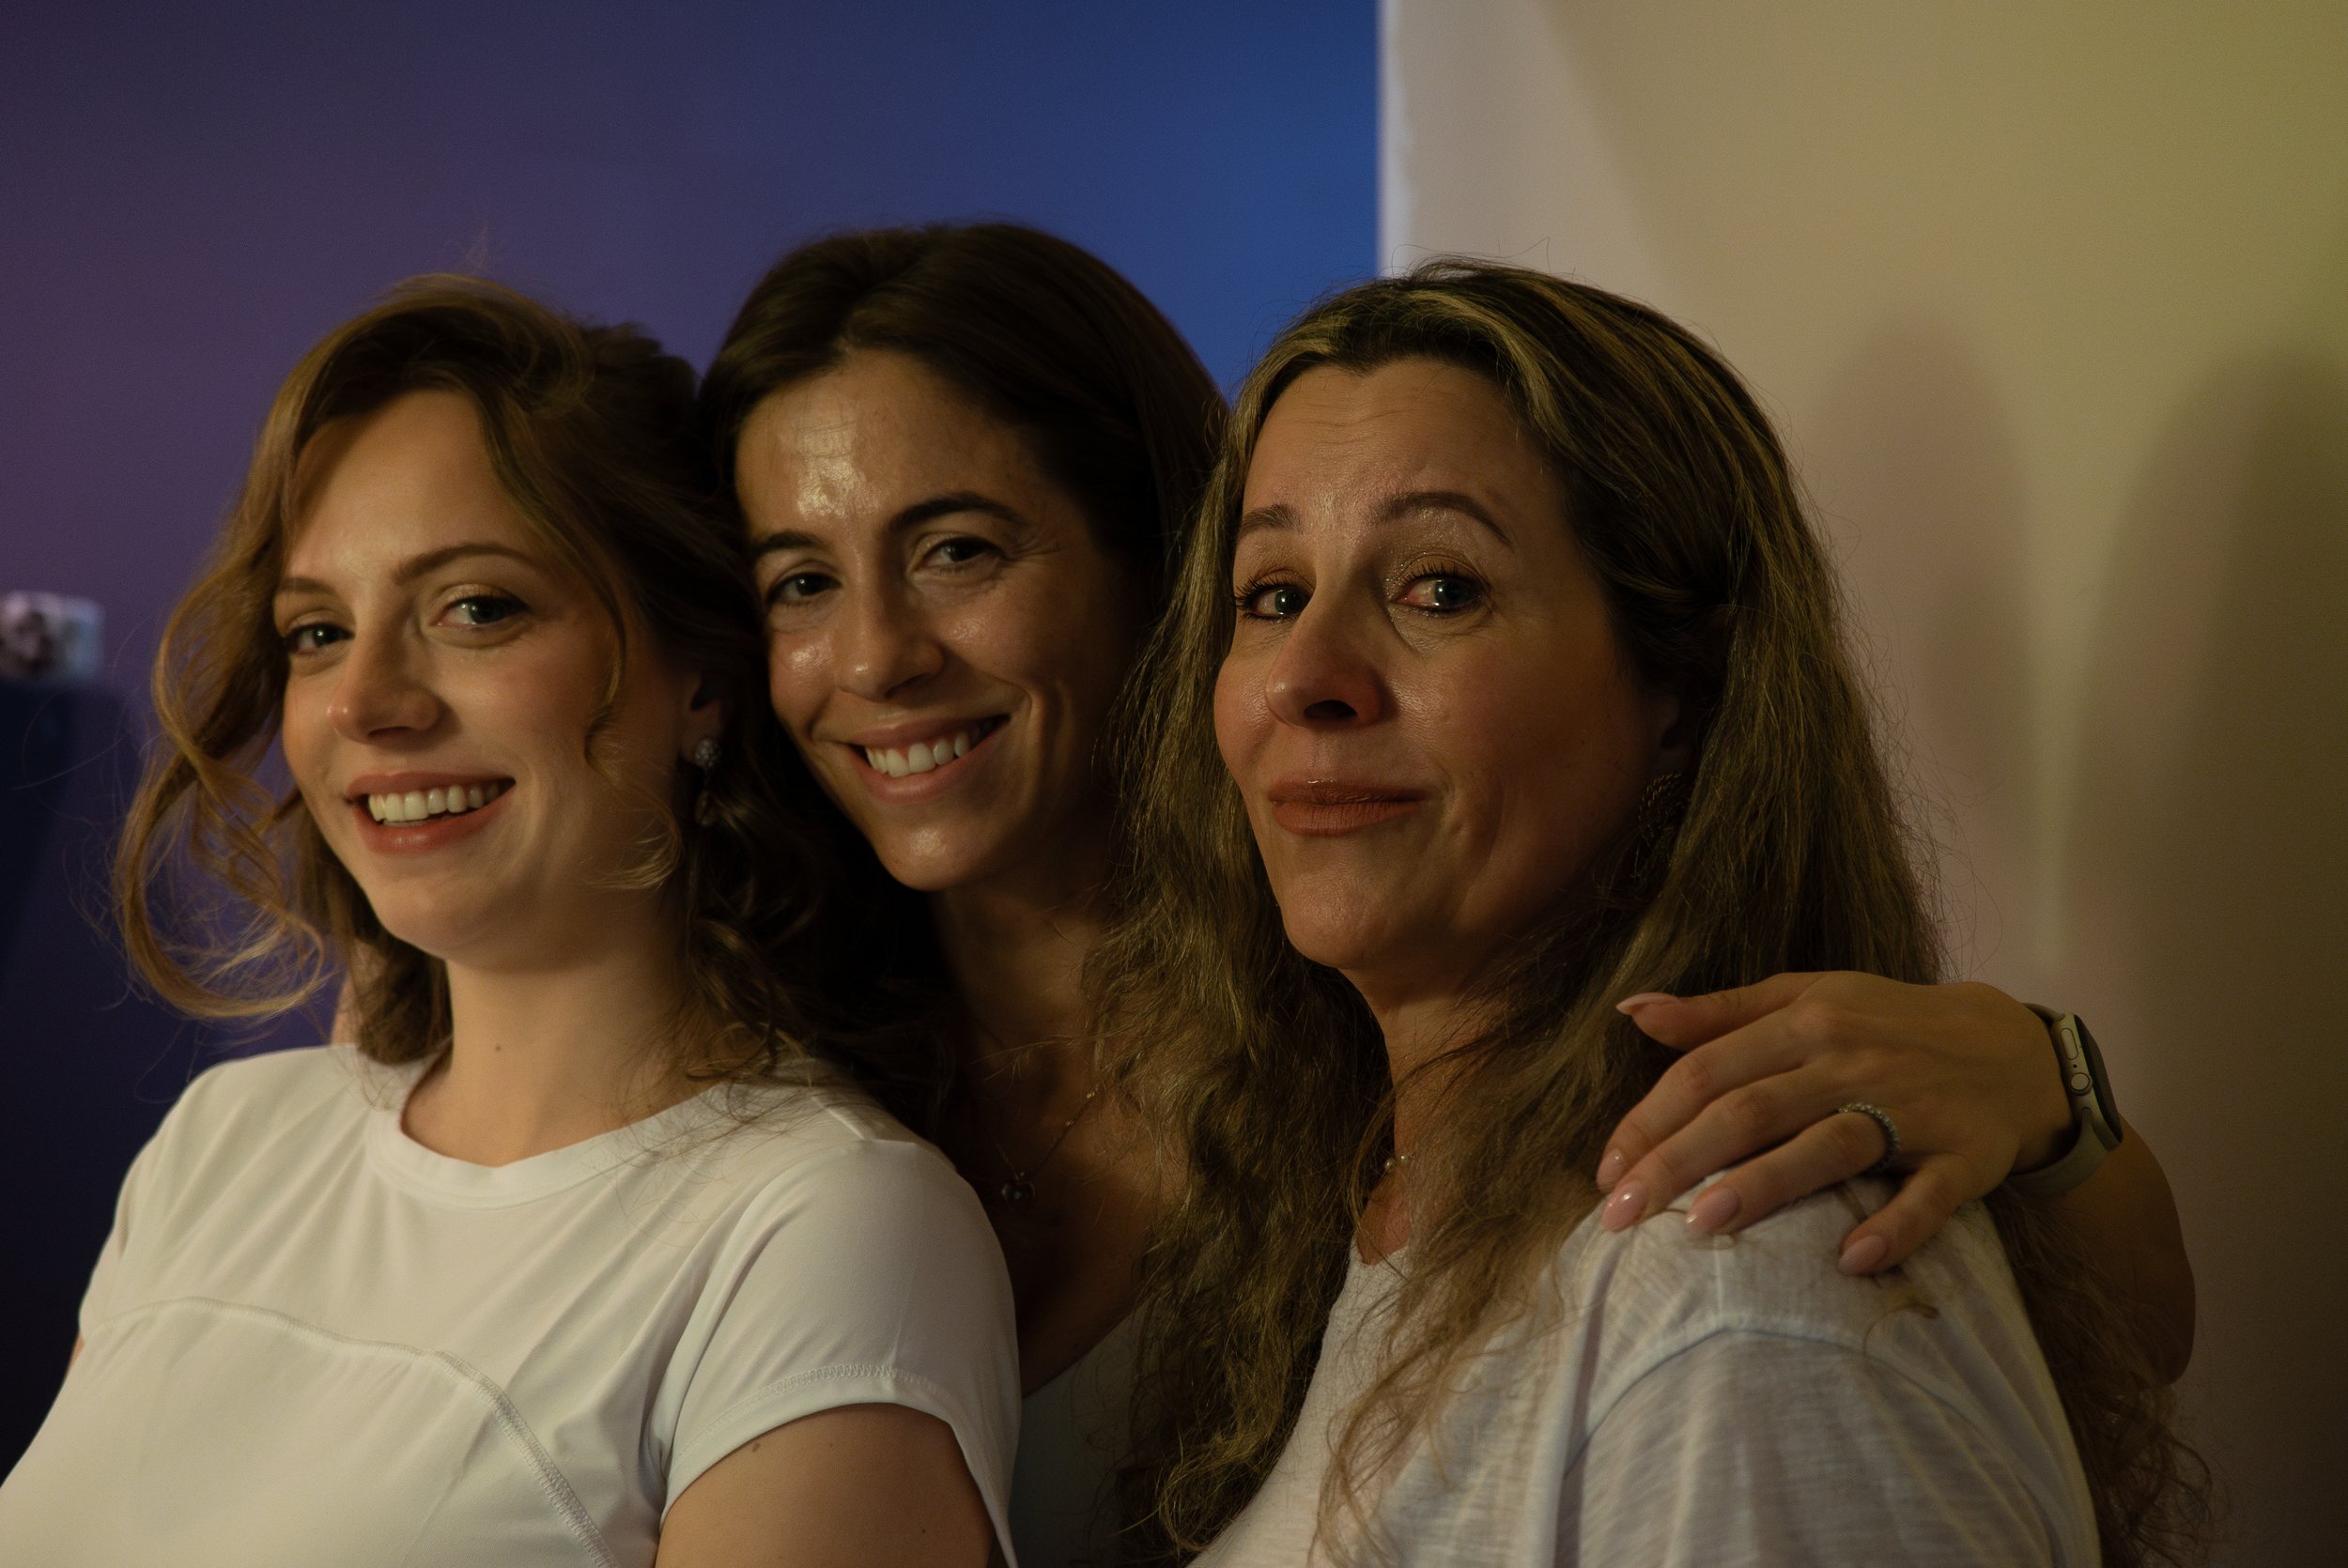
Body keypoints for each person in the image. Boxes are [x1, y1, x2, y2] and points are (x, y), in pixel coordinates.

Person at [700, 225, 2196, 1566]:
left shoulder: (1702, 1234)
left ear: (1156, 576)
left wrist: (2042, 1083)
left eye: (1440, 588)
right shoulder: (767, 1055)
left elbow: (1978, 1343)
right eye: (1277, 595)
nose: (881, 654)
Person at [0, 280, 1019, 1566]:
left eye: (476, 607)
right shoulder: (225, 1143)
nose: (365, 699)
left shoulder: (828, 1226)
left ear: (699, 676)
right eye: (318, 630)